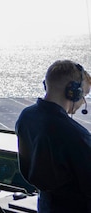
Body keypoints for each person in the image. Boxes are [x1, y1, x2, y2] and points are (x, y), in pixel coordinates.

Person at [15, 59, 91, 212]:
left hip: (45, 205)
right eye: (84, 95)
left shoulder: (26, 116)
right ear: (72, 91)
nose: (83, 102)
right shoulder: (74, 134)